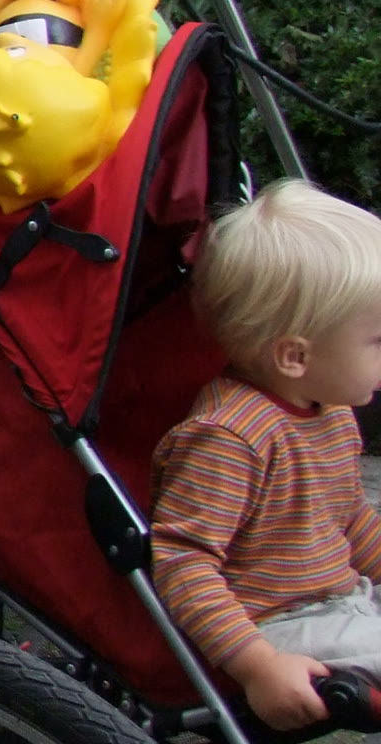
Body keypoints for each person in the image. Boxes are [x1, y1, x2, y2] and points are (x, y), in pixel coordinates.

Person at [151, 180, 381, 732]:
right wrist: (258, 667)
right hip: (273, 627)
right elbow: (184, 564)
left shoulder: (329, 409)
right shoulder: (230, 437)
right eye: (378, 341)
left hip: (341, 603)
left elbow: (349, 515)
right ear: (295, 356)